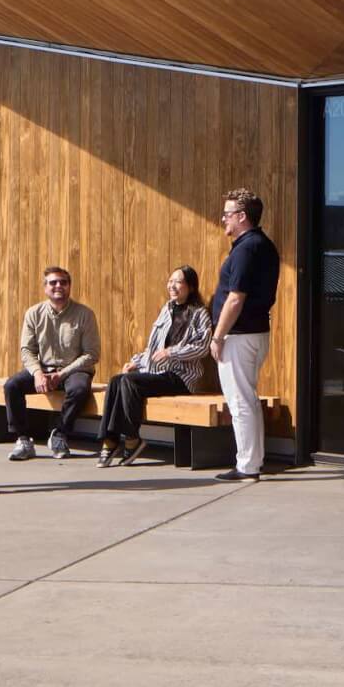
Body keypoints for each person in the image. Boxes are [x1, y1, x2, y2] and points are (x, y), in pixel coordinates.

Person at [97, 266, 214, 465]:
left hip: (181, 377)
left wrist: (171, 352)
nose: (172, 286)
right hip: (157, 373)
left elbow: (202, 348)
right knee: (117, 380)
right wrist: (135, 362)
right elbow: (153, 349)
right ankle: (111, 440)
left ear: (191, 287)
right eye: (170, 281)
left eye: (178, 281)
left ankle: (131, 440)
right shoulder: (166, 310)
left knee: (130, 383)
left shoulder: (199, 314)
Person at [209, 187, 280, 482]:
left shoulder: (247, 248)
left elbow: (235, 297)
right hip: (252, 332)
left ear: (242, 216)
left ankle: (248, 466)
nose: (223, 219)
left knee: (240, 401)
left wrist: (218, 336)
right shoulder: (259, 245)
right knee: (246, 399)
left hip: (239, 335)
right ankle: (253, 460)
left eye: (227, 214)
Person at [1, 267, 101, 460]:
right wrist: (38, 373)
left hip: (74, 370)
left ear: (69, 286)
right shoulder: (34, 313)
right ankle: (23, 440)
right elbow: (27, 350)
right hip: (43, 369)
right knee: (12, 385)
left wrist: (61, 374)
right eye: (53, 282)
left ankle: (60, 434)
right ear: (45, 288)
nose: (58, 286)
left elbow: (91, 354)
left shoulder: (85, 314)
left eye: (63, 282)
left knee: (80, 388)